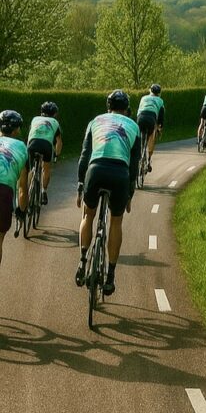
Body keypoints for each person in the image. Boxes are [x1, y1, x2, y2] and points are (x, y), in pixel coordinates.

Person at [75, 90, 142, 296]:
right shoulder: (134, 127)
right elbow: (134, 165)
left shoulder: (95, 121)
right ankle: (110, 275)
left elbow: (84, 155)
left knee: (88, 215)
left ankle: (82, 261)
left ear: (108, 106)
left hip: (95, 170)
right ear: (127, 109)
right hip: (120, 174)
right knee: (116, 222)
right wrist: (129, 194)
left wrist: (80, 185)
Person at [0, 110, 29, 268]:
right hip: (3, 192)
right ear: (17, 130)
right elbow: (22, 188)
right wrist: (21, 212)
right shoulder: (22, 147)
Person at [26, 102, 63, 205]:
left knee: (29, 169)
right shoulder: (55, 122)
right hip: (46, 145)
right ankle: (43, 191)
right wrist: (56, 155)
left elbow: (30, 135)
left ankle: (26, 192)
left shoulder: (35, 119)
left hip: (32, 144)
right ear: (54, 113)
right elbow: (59, 141)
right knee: (46, 169)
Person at [136, 84, 164, 172]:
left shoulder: (143, 98)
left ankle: (139, 155)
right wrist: (160, 127)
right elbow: (161, 116)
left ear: (150, 91)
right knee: (152, 137)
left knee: (140, 138)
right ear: (159, 93)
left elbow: (139, 110)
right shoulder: (160, 101)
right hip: (151, 118)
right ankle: (148, 161)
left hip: (140, 117)